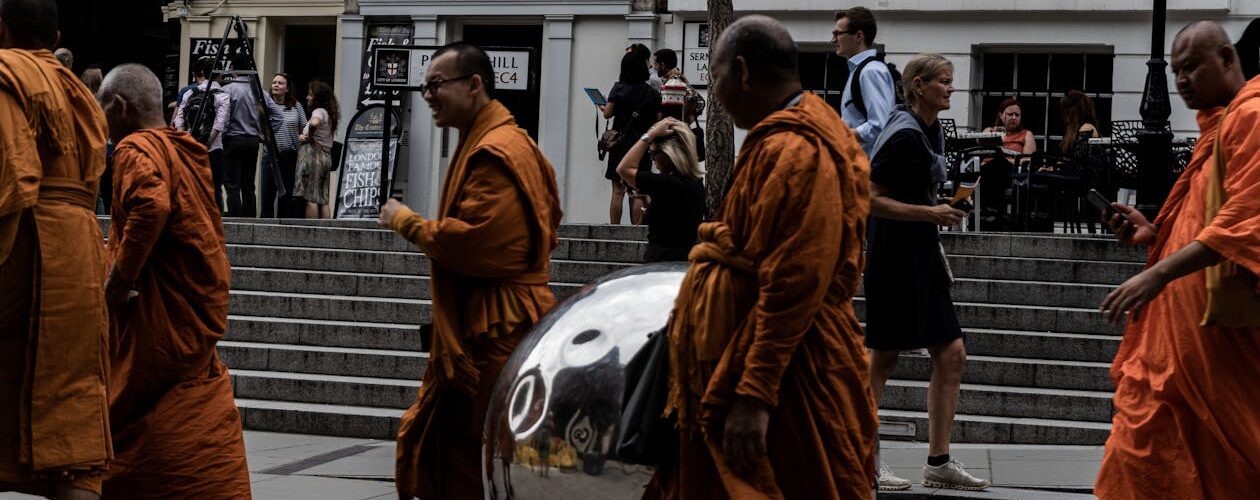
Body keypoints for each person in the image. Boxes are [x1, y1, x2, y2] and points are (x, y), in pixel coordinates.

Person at [647, 16, 878, 500]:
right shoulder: (786, 134)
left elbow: (794, 281)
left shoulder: (800, 149)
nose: (716, 91)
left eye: (716, 76)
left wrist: (755, 391)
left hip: (793, 377)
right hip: (756, 359)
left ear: (743, 72)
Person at [379, 41, 562, 500]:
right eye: (424, 88)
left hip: (498, 324)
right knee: (467, 451)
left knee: (482, 454)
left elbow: (481, 245)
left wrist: (406, 221)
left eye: (436, 85)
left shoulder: (497, 149)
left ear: (475, 84)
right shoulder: (492, 142)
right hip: (493, 318)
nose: (429, 96)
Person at [1094, 21, 1260, 499]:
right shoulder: (1220, 127)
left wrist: (1159, 274)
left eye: (1192, 67)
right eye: (1176, 70)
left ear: (1228, 59)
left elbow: (1247, 218)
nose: (1182, 80)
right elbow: (1204, 217)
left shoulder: (1250, 117)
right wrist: (1153, 233)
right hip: (1178, 345)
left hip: (1214, 346)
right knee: (1142, 458)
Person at [95, 64, 250, 499]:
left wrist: (118, 281)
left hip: (158, 325)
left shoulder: (134, 150)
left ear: (119, 107)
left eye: (102, 111)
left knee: (146, 424)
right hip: (187, 318)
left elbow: (151, 204)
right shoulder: (188, 150)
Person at [863, 54, 991, 492]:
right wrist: (928, 212)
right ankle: (861, 458)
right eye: (944, 82)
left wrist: (946, 207)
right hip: (892, 254)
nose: (952, 89)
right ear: (919, 86)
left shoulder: (929, 129)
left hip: (920, 252)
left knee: (951, 353)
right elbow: (867, 197)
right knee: (883, 356)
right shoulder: (902, 135)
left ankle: (938, 463)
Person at [0, 1, 111, 498]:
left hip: (22, 246)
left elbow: (14, 178)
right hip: (82, 255)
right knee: (72, 404)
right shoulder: (79, 91)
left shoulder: (5, 75)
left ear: (2, 30)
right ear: (56, 34)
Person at [615, 117, 704, 262]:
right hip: (682, 260)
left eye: (653, 153)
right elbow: (670, 219)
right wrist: (645, 201)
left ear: (669, 154)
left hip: (663, 261)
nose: (652, 159)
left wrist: (649, 135)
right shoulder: (694, 183)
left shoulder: (668, 183)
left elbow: (623, 169)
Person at [220, 52, 286, 217]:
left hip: (233, 140)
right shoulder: (259, 92)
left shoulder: (228, 90)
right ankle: (250, 219)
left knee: (232, 184)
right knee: (248, 184)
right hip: (252, 141)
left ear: (233, 68)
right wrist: (264, 135)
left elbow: (224, 119)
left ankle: (235, 222)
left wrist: (224, 134)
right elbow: (278, 116)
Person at [602, 51, 660, 225]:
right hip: (641, 146)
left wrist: (603, 106)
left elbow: (607, 114)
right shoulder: (652, 93)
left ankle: (613, 230)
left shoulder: (618, 88)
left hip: (619, 145)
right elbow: (658, 121)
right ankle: (636, 231)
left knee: (617, 191)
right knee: (638, 191)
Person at [834, 6, 895, 157]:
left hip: (868, 170)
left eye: (838, 33)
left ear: (859, 36)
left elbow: (879, 126)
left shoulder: (871, 71)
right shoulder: (862, 70)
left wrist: (839, 134)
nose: (833, 39)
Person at [173, 56, 230, 213]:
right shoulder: (222, 95)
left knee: (192, 187)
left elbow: (179, 122)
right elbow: (219, 124)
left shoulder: (189, 93)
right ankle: (217, 223)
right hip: (214, 148)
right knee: (215, 187)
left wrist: (188, 143)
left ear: (202, 73)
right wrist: (207, 144)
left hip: (190, 147)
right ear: (217, 74)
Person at [260, 73, 307, 218]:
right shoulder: (266, 105)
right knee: (267, 195)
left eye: (280, 83)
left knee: (286, 197)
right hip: (270, 155)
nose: (275, 85)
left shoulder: (296, 106)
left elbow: (305, 127)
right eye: (274, 82)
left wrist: (301, 136)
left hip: (289, 156)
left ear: (287, 88)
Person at [296, 80, 337, 219]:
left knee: (311, 197)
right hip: (326, 156)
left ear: (318, 98)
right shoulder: (329, 113)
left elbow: (314, 122)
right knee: (323, 198)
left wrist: (309, 136)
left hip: (314, 156)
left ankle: (311, 233)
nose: (307, 97)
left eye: (310, 95)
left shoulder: (318, 111)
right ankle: (327, 232)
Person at [1059, 90, 1100, 155]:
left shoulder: (1086, 128)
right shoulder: (1076, 129)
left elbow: (1078, 159)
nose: (1065, 117)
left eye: (1066, 112)